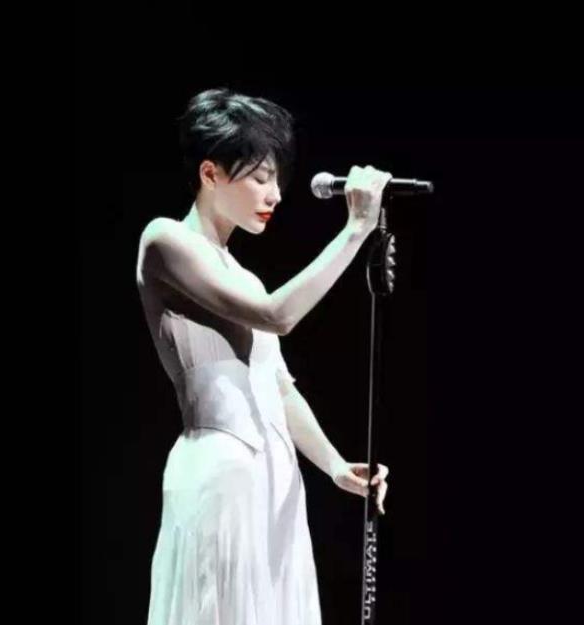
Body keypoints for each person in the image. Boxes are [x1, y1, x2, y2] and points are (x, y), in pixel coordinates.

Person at [136, 87, 391, 625]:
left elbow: (277, 385)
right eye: (259, 178)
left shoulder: (245, 276)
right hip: (220, 475)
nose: (274, 195)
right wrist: (355, 230)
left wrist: (335, 466)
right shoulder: (164, 240)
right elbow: (278, 315)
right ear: (210, 174)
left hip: (275, 482)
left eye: (277, 179)